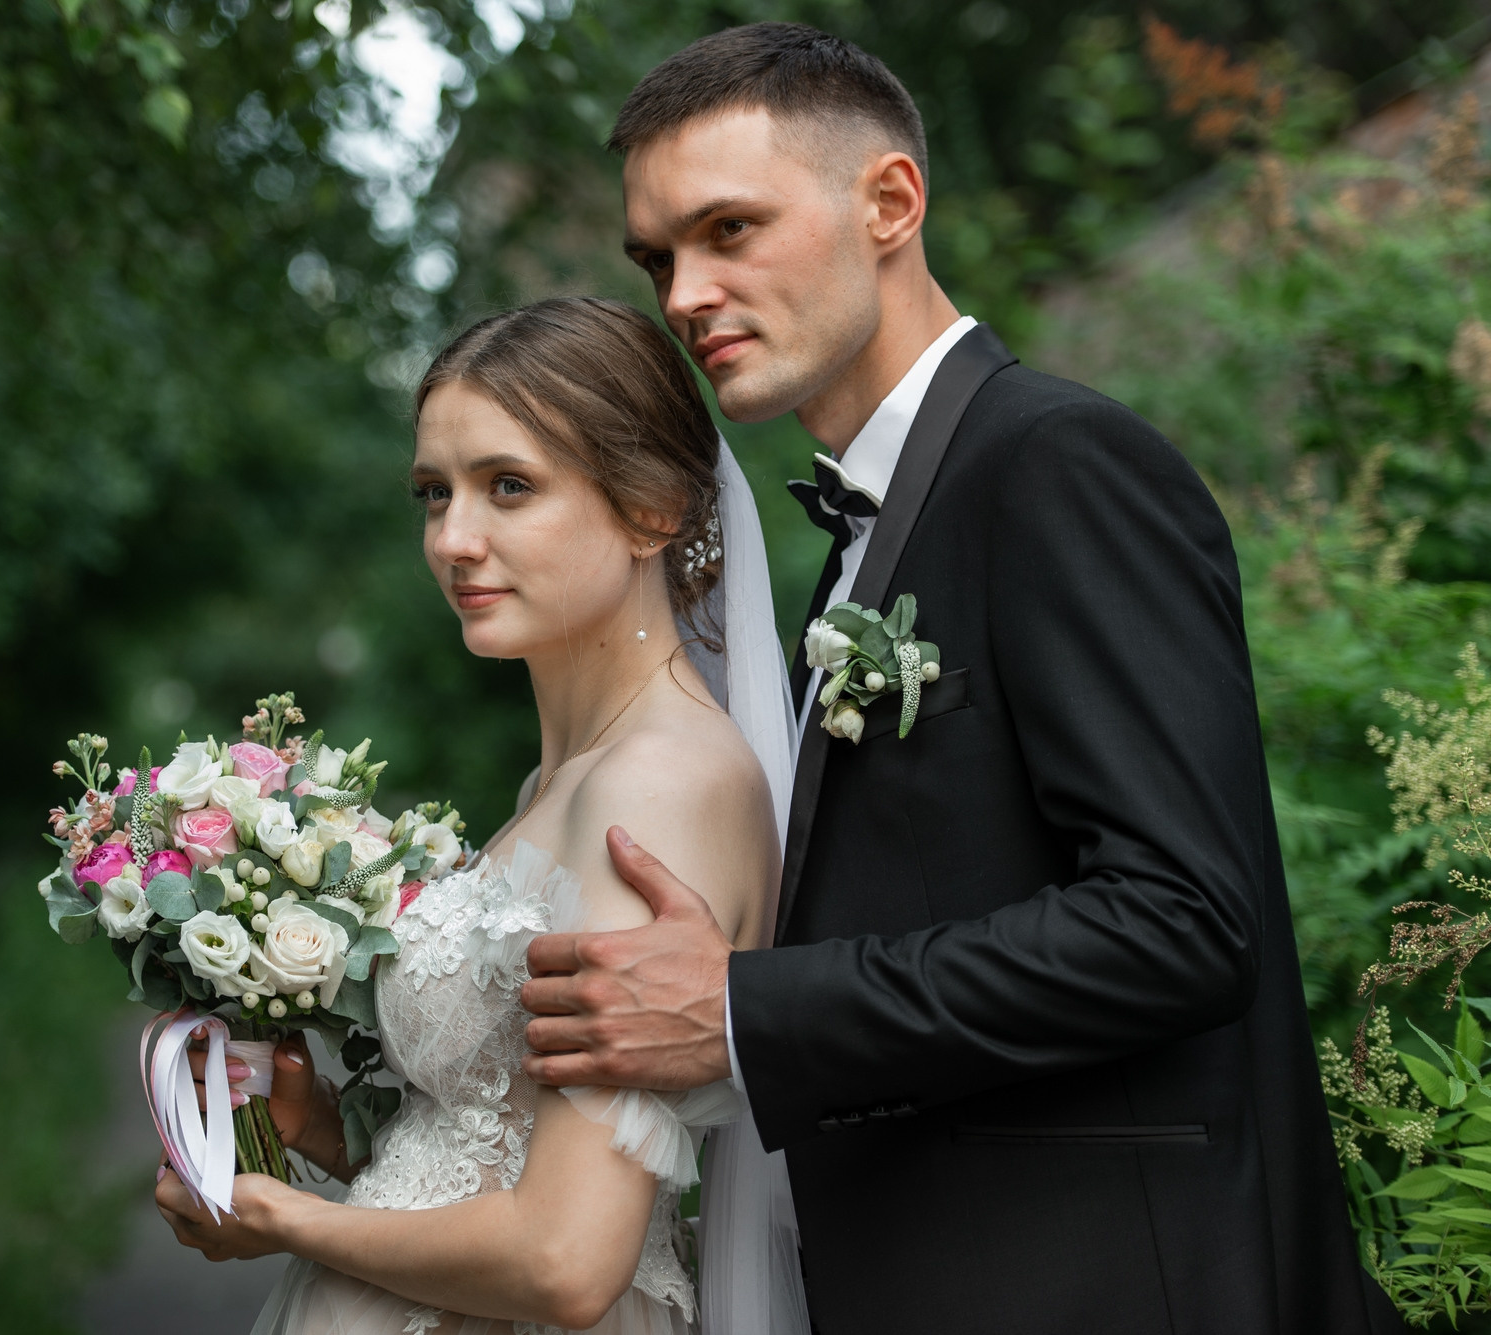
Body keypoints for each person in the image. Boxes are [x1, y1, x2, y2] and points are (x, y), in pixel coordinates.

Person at [515, 23, 1401, 1335]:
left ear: (889, 202)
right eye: (657, 259)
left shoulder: (1058, 465)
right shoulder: (865, 541)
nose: (686, 294)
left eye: (729, 230)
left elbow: (1182, 921)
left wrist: (750, 1009)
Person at [155, 296, 811, 1334]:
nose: (453, 540)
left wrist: (284, 1217)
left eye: (509, 485)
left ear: (652, 508)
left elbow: (567, 1260)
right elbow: (492, 1158)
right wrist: (319, 1133)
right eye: (435, 492)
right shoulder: (560, 783)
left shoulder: (658, 788)